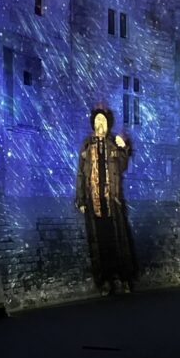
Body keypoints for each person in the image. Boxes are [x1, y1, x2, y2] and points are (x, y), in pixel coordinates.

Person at [75, 108, 136, 294]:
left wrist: (124, 148)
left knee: (118, 242)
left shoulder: (112, 143)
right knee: (99, 245)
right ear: (93, 124)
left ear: (108, 124)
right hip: (94, 203)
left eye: (103, 121)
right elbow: (81, 174)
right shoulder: (87, 145)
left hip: (112, 202)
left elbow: (123, 166)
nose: (100, 124)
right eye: (97, 120)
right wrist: (81, 200)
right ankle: (105, 281)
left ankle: (124, 279)